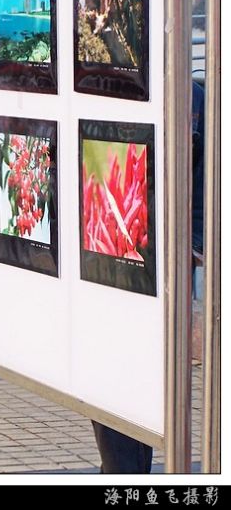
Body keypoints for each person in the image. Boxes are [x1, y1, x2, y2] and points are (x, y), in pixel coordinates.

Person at [91, 79, 207, 473]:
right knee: (113, 379)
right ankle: (120, 471)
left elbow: (201, 196)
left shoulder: (193, 97)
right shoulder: (97, 84)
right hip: (106, 263)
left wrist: (190, 253)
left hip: (163, 270)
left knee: (148, 383)